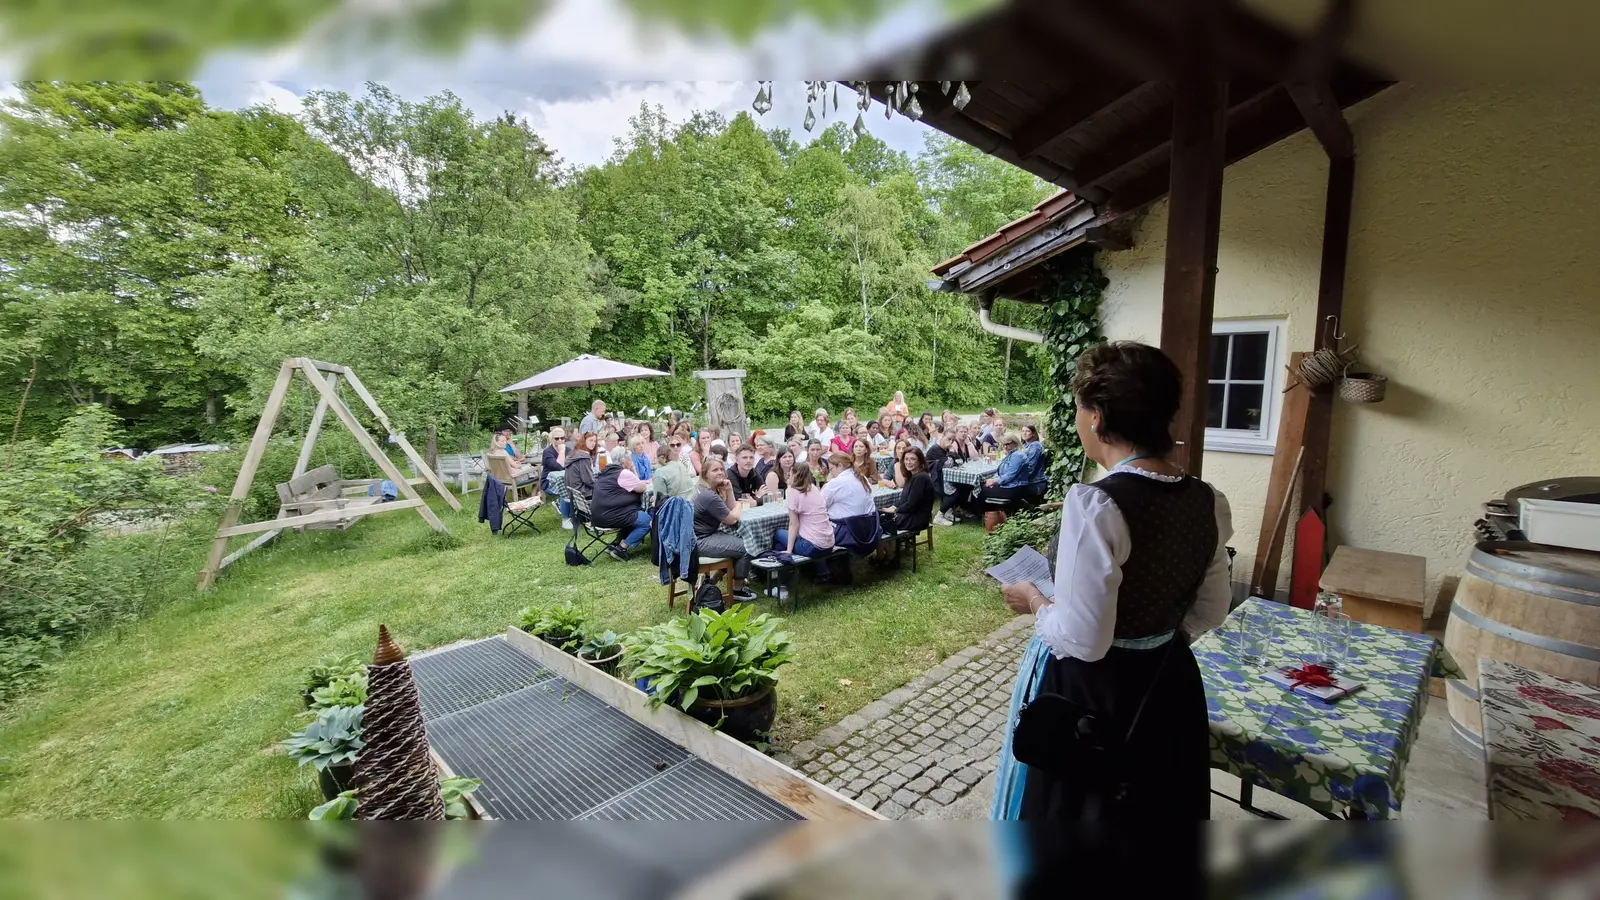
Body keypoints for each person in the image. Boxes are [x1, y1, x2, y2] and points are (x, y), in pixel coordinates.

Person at [992, 341, 1233, 822]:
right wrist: (1151, 625)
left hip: (1097, 697)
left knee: (1086, 826)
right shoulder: (1208, 499)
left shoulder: (1097, 504)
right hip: (1167, 684)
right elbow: (1210, 611)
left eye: (1080, 409)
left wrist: (1035, 598)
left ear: (1097, 416)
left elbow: (1084, 640)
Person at [691, 458, 758, 602]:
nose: (720, 472)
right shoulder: (709, 496)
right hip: (700, 541)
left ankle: (712, 580)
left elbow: (730, 507)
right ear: (705, 474)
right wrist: (739, 505)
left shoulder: (706, 488)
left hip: (699, 535)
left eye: (722, 469)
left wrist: (729, 489)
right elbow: (732, 519)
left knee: (737, 541)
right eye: (715, 470)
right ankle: (737, 590)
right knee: (746, 546)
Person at [775, 462, 834, 579]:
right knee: (811, 536)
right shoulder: (813, 488)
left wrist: (788, 550)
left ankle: (783, 579)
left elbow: (793, 524)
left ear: (794, 475)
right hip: (829, 542)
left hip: (811, 547)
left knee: (778, 534)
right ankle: (823, 572)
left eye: (790, 473)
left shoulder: (793, 492)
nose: (788, 476)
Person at [592, 448, 651, 560]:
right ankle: (622, 548)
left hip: (598, 514)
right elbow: (641, 487)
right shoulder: (624, 473)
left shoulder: (607, 472)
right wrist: (633, 468)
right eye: (630, 459)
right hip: (611, 515)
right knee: (647, 521)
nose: (632, 461)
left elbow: (635, 483)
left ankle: (615, 543)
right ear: (624, 461)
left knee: (634, 516)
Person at [971, 434, 1032, 531]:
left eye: (1007, 444)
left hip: (1015, 488)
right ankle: (992, 514)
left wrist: (994, 481)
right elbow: (1001, 472)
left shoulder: (1017, 456)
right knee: (984, 487)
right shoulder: (1012, 454)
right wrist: (994, 480)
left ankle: (986, 515)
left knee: (981, 490)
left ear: (1014, 443)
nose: (1005, 447)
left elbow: (1010, 475)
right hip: (1011, 486)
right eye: (1003, 445)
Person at [881, 446, 936, 535]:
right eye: (906, 459)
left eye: (912, 459)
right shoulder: (912, 476)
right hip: (909, 515)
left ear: (920, 461)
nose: (908, 462)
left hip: (917, 519)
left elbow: (911, 505)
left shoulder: (921, 477)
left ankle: (891, 543)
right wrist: (893, 507)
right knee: (880, 516)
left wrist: (895, 511)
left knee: (880, 521)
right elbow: (903, 500)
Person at [822, 451, 877, 520]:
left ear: (840, 466)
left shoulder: (836, 482)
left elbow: (821, 505)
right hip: (869, 522)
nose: (831, 473)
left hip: (844, 524)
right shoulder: (862, 477)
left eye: (831, 469)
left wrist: (825, 486)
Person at [541, 427, 570, 528]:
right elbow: (558, 467)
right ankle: (565, 519)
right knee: (564, 489)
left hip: (567, 480)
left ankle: (579, 514)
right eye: (556, 438)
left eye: (562, 438)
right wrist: (561, 452)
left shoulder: (569, 450)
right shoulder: (548, 452)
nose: (560, 440)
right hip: (549, 483)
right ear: (552, 439)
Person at [564, 432, 599, 508]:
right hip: (583, 493)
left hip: (573, 492)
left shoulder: (574, 453)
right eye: (591, 440)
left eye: (595, 441)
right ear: (584, 441)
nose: (593, 443)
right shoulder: (583, 457)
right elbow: (588, 480)